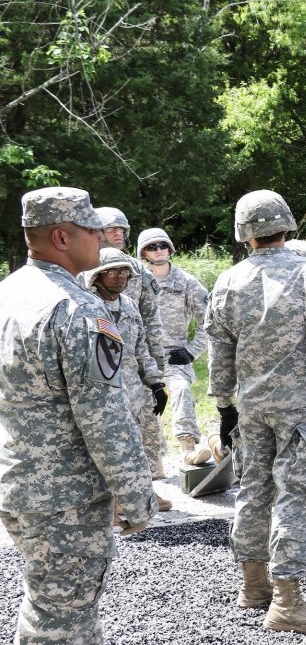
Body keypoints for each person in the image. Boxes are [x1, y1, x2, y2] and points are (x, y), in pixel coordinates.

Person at [0, 187, 157, 644]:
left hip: (18, 481)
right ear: (61, 237)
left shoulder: (9, 293)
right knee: (63, 618)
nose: (103, 241)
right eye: (93, 230)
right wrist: (136, 495)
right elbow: (103, 416)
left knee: (50, 605)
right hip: (65, 495)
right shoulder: (77, 308)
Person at [204, 190, 306, 635]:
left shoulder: (228, 280)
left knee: (254, 492)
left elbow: (218, 351)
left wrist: (225, 407)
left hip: (251, 408)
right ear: (286, 226)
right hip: (299, 409)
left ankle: (253, 585)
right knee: (296, 496)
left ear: (245, 234)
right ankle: (286, 602)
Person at [85, 248, 172, 492]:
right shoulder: (87, 308)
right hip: (102, 394)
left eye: (124, 271)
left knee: (137, 447)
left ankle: (140, 497)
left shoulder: (131, 306)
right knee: (107, 451)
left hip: (133, 392)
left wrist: (156, 384)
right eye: (111, 271)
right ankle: (111, 505)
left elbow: (141, 350)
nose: (119, 275)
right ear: (97, 276)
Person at [136, 227, 213, 465]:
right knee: (141, 404)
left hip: (173, 355)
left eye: (162, 245)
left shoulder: (186, 282)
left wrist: (191, 351)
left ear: (170, 249)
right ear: (143, 253)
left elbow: (210, 320)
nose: (158, 251)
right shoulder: (134, 280)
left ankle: (188, 447)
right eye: (151, 247)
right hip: (140, 354)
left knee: (180, 391)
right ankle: (150, 461)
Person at [94, 206, 168, 373]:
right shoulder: (83, 266)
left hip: (133, 355)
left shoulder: (138, 269)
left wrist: (158, 362)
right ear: (97, 232)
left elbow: (151, 317)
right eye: (111, 229)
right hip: (96, 354)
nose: (118, 233)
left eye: (122, 229)